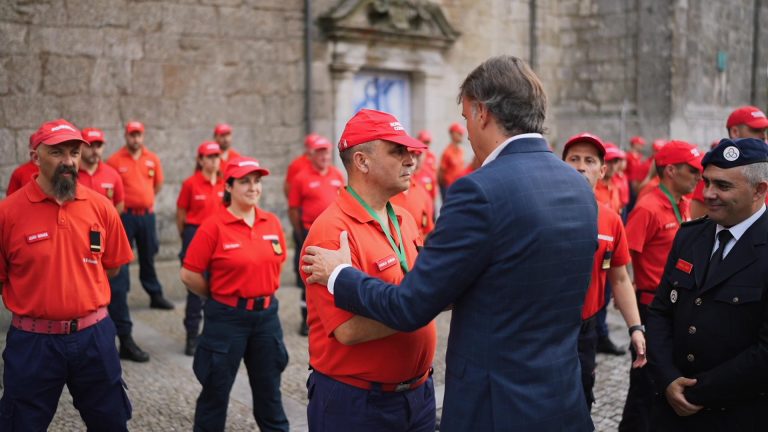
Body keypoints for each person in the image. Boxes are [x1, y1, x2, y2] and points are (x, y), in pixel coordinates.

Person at [303, 55, 597, 431]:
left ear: (481, 113)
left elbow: (412, 305)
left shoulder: (479, 191)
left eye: (465, 118)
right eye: (398, 151)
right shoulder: (578, 186)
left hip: (497, 406)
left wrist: (340, 274)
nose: (412, 159)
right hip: (559, 398)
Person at [302, 109, 437, 431]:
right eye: (397, 151)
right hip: (358, 403)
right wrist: (423, 304)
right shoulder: (331, 231)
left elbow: (423, 286)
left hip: (418, 394)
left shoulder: (401, 218)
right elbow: (348, 330)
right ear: (361, 161)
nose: (411, 160)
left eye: (410, 151)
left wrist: (422, 299)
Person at [0, 119, 134, 430]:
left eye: (74, 153)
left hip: (94, 338)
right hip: (33, 342)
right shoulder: (8, 214)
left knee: (111, 422)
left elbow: (112, 266)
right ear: (36, 157)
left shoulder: (102, 207)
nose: (68, 161)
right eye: (57, 153)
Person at [647, 137, 768, 431]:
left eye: (723, 186)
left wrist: (697, 392)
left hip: (738, 414)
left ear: (759, 190)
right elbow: (661, 310)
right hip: (671, 410)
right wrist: (667, 378)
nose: (708, 193)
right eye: (707, 182)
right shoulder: (690, 236)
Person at [180, 156, 289, 432]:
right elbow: (189, 274)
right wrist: (219, 295)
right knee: (215, 393)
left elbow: (278, 262)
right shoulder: (213, 226)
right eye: (244, 182)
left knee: (270, 396)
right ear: (228, 187)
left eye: (257, 181)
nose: (253, 187)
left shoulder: (272, 223)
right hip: (227, 319)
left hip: (266, 318)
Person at [620, 140, 703, 432]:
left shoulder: (682, 202)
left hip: (675, 304)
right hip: (650, 306)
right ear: (670, 170)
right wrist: (628, 289)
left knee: (665, 377)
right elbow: (625, 254)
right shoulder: (648, 207)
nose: (698, 177)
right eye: (693, 170)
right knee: (645, 381)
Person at [562, 132, 647, 410]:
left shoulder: (610, 220)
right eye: (574, 159)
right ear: (562, 165)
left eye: (589, 160)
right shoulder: (541, 211)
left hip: (586, 331)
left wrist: (635, 327)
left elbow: (620, 278)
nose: (581, 166)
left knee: (582, 396)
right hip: (547, 329)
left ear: (602, 170)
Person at [79, 127, 149, 363]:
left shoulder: (112, 174)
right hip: (79, 247)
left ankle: (126, 341)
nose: (95, 149)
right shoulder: (71, 175)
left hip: (108, 244)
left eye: (99, 145)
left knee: (118, 291)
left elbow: (118, 206)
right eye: (90, 144)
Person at [107, 120, 175, 312]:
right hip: (125, 217)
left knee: (148, 256)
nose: (135, 138)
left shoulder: (152, 158)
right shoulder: (114, 160)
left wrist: (145, 198)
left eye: (138, 135)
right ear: (126, 136)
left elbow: (158, 184)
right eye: (132, 135)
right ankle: (121, 298)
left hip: (147, 216)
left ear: (142, 136)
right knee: (123, 259)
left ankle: (155, 294)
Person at [287, 135, 344, 336]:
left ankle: (335, 316)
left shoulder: (337, 175)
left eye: (326, 152)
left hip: (334, 235)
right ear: (311, 155)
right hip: (310, 234)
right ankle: (306, 319)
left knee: (334, 275)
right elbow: (293, 209)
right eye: (319, 152)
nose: (323, 156)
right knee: (310, 278)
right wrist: (300, 233)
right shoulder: (301, 178)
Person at [176, 141, 225, 356]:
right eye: (210, 157)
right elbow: (181, 214)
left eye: (217, 156)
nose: (214, 160)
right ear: (201, 160)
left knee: (217, 287)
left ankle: (211, 334)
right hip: (195, 233)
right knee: (195, 290)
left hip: (219, 236)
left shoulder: (225, 184)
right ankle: (192, 336)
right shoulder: (190, 184)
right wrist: (187, 236)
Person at [690, 106, 768, 218]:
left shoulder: (763, 166)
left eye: (764, 131)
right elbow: (698, 221)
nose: (763, 136)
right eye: (756, 130)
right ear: (735, 131)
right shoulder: (714, 171)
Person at [390, 147, 435, 239]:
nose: (410, 161)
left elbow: (427, 231)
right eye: (402, 155)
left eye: (414, 156)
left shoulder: (423, 194)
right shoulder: (384, 192)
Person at [437, 122, 466, 199]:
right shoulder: (447, 152)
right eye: (459, 133)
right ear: (452, 134)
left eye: (462, 133)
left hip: (459, 187)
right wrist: (444, 189)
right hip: (449, 188)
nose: (461, 135)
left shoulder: (460, 151)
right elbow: (440, 174)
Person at [414, 130, 438, 202]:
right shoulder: (414, 154)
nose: (426, 145)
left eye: (428, 142)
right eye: (424, 142)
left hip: (428, 184)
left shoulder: (432, 156)